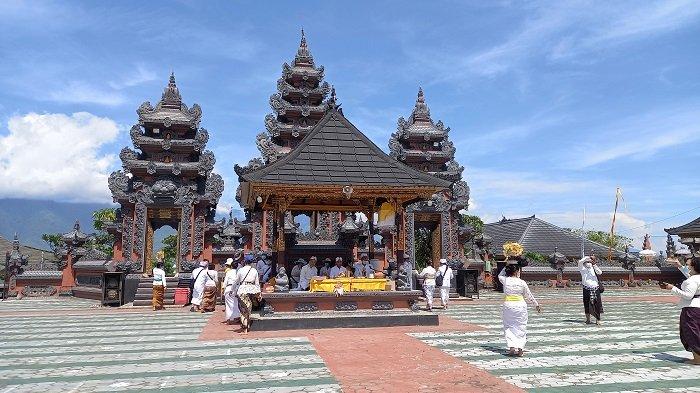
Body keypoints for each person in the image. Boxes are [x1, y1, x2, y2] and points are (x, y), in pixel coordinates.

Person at [661, 256, 700, 365]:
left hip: (691, 309)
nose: (686, 266)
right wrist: (680, 266)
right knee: (697, 331)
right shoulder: (697, 277)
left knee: (691, 333)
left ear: (693, 267)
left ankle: (697, 359)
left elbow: (688, 295)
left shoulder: (692, 280)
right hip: (698, 307)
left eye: (688, 265)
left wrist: (672, 288)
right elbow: (690, 275)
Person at [498, 262, 541, 357]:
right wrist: (536, 304)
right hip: (520, 305)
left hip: (508, 305)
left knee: (508, 326)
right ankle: (520, 349)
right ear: (517, 271)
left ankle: (512, 348)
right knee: (521, 326)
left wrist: (506, 264)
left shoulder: (505, 280)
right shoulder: (522, 282)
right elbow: (529, 295)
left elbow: (500, 275)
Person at [235, 254, 260, 333]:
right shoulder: (254, 270)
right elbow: (257, 283)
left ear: (244, 261)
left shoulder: (240, 270)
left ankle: (245, 329)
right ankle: (247, 325)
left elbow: (236, 282)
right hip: (252, 291)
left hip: (242, 290)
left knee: (243, 311)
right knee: (248, 309)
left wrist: (232, 290)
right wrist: (259, 293)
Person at [578, 255, 603, 325]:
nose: (588, 263)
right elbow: (580, 262)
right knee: (586, 304)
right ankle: (588, 319)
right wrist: (587, 257)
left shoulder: (594, 268)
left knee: (597, 304)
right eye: (587, 262)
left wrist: (594, 264)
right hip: (586, 288)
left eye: (590, 262)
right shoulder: (582, 268)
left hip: (595, 288)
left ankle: (598, 319)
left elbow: (600, 272)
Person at [222, 260, 240, 324]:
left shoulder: (229, 272)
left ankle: (229, 319)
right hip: (237, 289)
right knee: (236, 303)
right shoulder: (239, 272)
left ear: (231, 266)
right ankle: (237, 317)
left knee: (228, 305)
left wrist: (223, 289)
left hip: (229, 288)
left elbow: (225, 281)